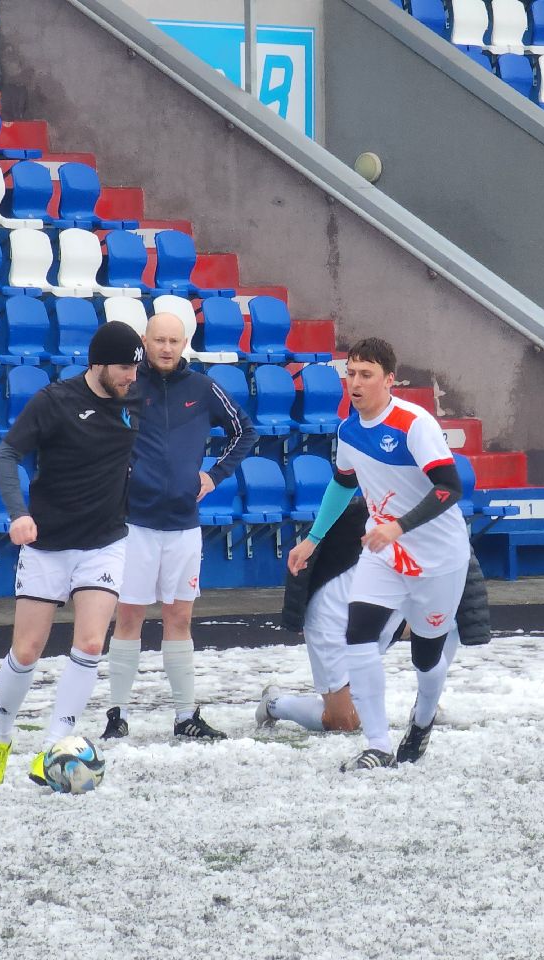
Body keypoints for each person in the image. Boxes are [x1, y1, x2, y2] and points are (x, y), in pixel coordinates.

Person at [287, 337, 471, 772]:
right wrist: (312, 539)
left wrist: (399, 526)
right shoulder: (348, 430)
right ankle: (377, 744)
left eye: (365, 374)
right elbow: (343, 483)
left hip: (438, 557)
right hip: (383, 551)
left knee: (427, 658)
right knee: (359, 637)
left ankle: (422, 723)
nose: (355, 382)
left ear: (389, 380)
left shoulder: (413, 423)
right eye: (350, 373)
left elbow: (450, 488)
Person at [0, 322, 143, 787]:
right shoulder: (55, 401)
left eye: (136, 366)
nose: (133, 375)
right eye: (126, 366)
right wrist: (18, 513)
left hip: (105, 542)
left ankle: (54, 747)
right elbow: (6, 456)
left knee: (90, 643)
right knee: (26, 650)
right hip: (47, 545)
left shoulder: (136, 402)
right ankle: (1, 737)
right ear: (99, 364)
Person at [105, 311, 256, 741]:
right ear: (145, 341)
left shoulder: (204, 388)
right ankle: (117, 715)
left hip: (184, 526)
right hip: (135, 524)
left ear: (184, 342)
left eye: (174, 341)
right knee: (129, 614)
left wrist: (216, 474)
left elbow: (244, 431)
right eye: (159, 341)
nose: (167, 348)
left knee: (179, 616)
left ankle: (185, 716)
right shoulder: (128, 386)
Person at [258, 498, 490, 733]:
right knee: (344, 723)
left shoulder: (440, 517)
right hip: (333, 617)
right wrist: (297, 611)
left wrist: (473, 625)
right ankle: (274, 704)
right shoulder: (363, 511)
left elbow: (463, 574)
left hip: (386, 612)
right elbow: (310, 558)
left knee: (448, 621)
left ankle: (425, 707)